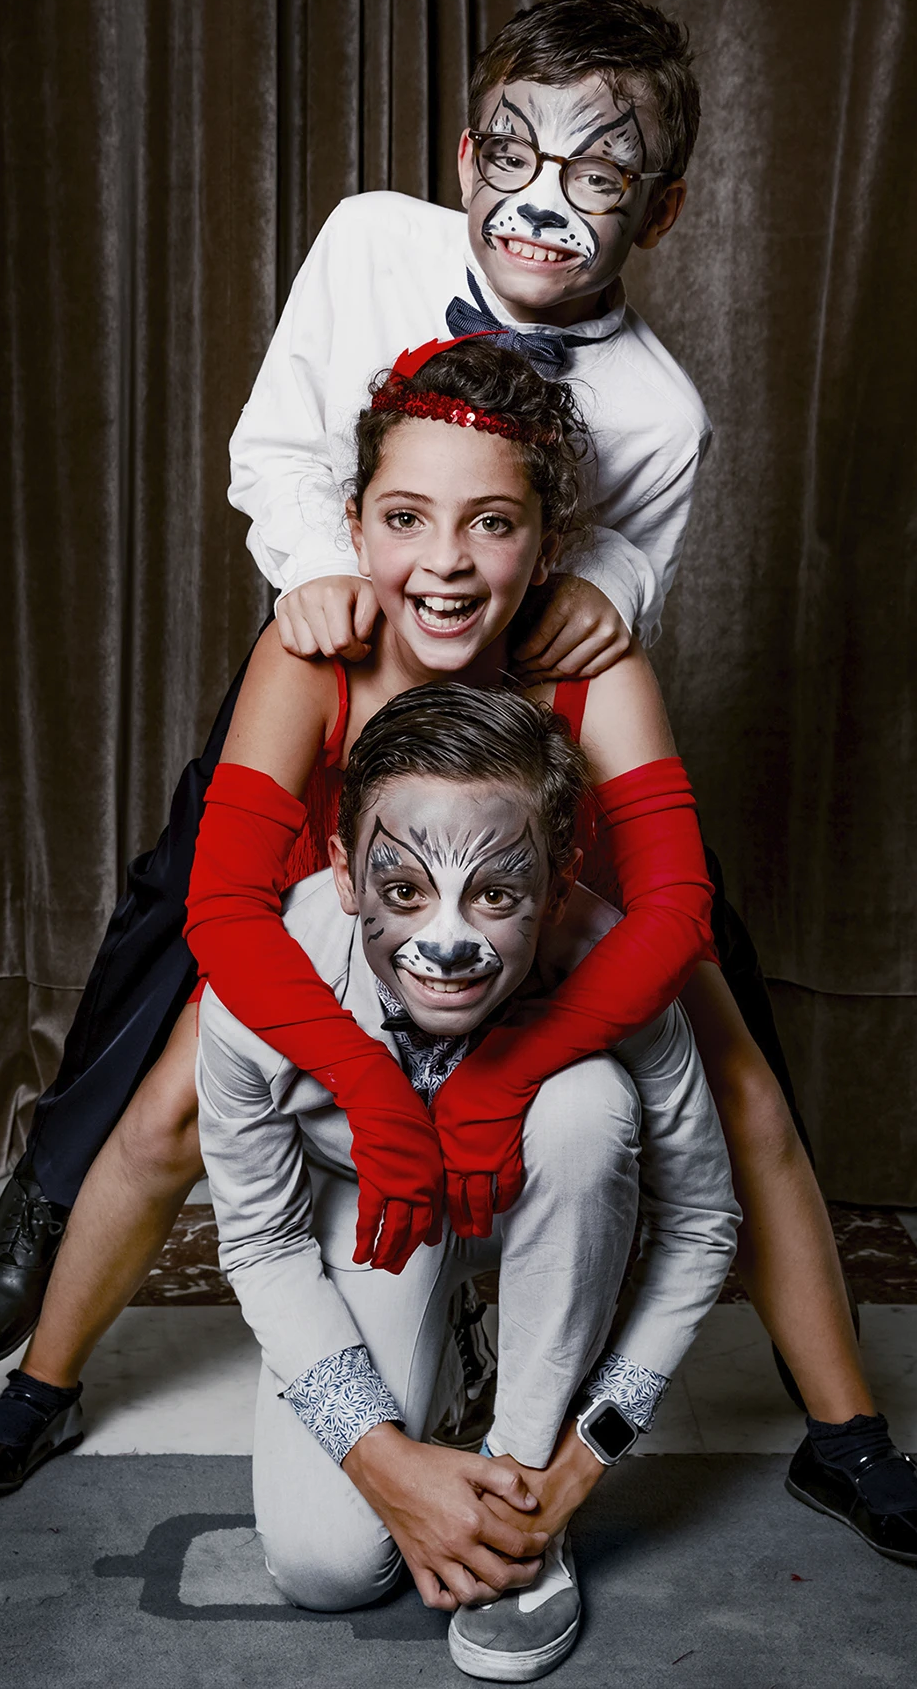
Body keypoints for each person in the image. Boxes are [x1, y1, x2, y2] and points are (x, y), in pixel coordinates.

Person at [0, 333, 917, 1574]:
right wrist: (373, 1091)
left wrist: (505, 1072)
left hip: (541, 939)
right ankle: (43, 1387)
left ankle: (846, 1435)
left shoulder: (587, 659)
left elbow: (672, 906)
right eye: (407, 518)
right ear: (356, 523)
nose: (444, 562)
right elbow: (220, 906)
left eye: (490, 525)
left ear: (548, 545)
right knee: (167, 1108)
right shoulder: (314, 650)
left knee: (743, 1095)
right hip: (348, 932)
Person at [198, 682, 741, 1682]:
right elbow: (261, 1243)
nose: (447, 946)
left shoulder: (612, 960)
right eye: (404, 890)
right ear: (344, 873)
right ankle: (448, 1363)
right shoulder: (262, 993)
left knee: (587, 1108)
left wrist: (574, 1464)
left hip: (544, 1201)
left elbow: (705, 1228)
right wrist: (383, 1460)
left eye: (495, 893)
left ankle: (516, 1455)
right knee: (325, 1567)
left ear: (560, 873)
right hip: (376, 1222)